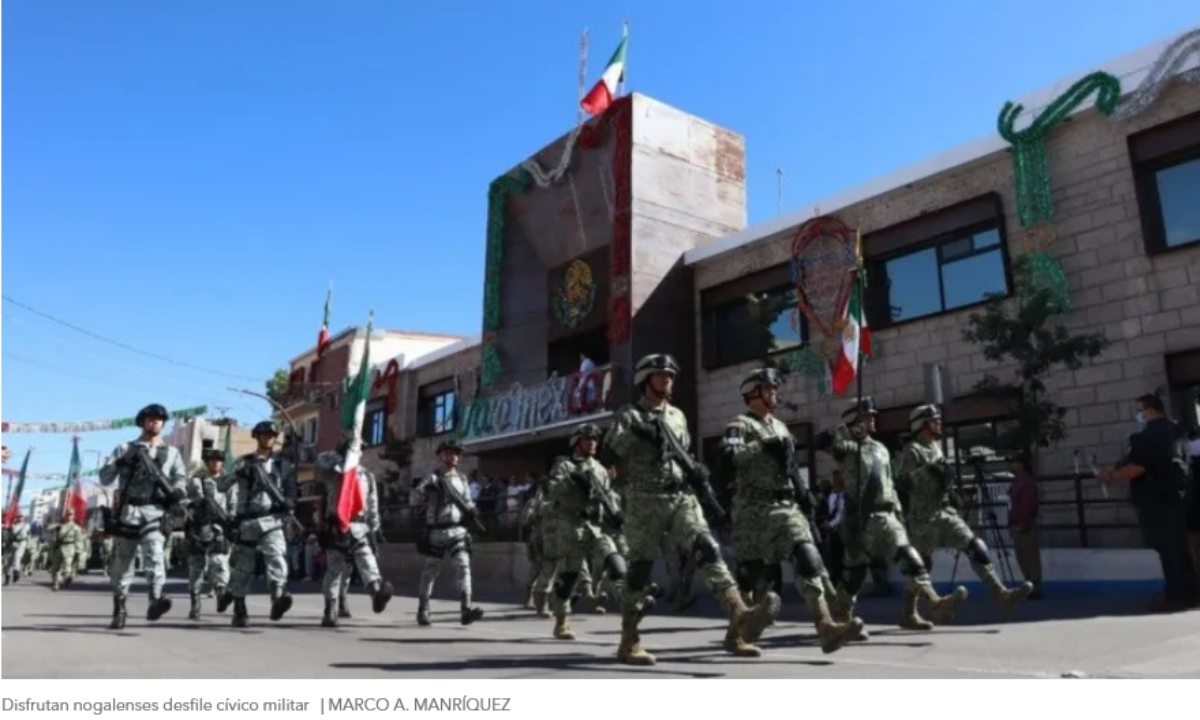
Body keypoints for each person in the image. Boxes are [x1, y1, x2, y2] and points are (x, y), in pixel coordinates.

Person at [602, 353, 780, 666]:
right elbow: (609, 452)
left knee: (708, 549)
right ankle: (629, 641)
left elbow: (681, 453)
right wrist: (638, 432)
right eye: (660, 376)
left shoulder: (678, 416)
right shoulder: (629, 416)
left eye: (670, 375)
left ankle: (741, 617)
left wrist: (697, 472)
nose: (667, 380)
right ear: (646, 381)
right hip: (644, 500)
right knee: (640, 571)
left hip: (681, 496)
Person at [723, 368, 861, 654]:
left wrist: (804, 493)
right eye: (769, 389)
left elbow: (790, 468)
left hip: (786, 507)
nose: (775, 394)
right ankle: (735, 633)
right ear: (753, 394)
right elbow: (728, 458)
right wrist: (760, 445)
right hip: (752, 510)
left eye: (775, 389)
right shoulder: (740, 425)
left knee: (808, 558)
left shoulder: (782, 427)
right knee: (750, 574)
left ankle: (825, 626)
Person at [816, 398, 967, 641]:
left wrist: (898, 512)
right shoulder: (847, 448)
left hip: (887, 516)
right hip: (862, 520)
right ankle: (842, 617)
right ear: (855, 420)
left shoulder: (881, 449)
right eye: (867, 416)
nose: (874, 419)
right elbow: (824, 443)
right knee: (855, 575)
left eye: (873, 415)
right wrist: (843, 431)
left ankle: (935, 602)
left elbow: (890, 483)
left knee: (909, 556)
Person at [898, 404, 1032, 627]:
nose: (939, 423)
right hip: (922, 518)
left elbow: (940, 478)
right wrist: (927, 471)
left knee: (975, 546)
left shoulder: (937, 447)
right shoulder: (913, 450)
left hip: (944, 512)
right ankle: (908, 612)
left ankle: (1001, 595)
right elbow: (902, 483)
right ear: (922, 425)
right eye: (934, 420)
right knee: (920, 565)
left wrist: (951, 492)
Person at [1099, 394, 1198, 610]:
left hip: (1157, 500)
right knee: (1180, 547)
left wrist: (1111, 476)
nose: (1139, 415)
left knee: (1167, 549)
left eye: (1141, 411)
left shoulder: (1148, 436)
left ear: (1151, 411)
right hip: (1179, 498)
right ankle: (1189, 593)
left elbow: (1137, 467)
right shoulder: (1177, 432)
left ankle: (1176, 596)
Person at [97, 403, 189, 629]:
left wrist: (178, 493)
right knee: (122, 564)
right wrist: (121, 461)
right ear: (142, 421)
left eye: (159, 419)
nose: (155, 421)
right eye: (150, 418)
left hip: (155, 513)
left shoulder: (172, 453)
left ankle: (155, 599)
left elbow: (180, 479)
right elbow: (105, 478)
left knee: (156, 555)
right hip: (128, 513)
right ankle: (119, 609)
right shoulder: (124, 448)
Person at [539, 423, 631, 640]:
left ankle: (631, 610)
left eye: (595, 440)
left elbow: (609, 497)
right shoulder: (565, 465)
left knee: (617, 565)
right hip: (571, 526)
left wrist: (617, 515)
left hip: (596, 527)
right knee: (568, 578)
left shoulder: (600, 469)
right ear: (576, 441)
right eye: (587, 439)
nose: (592, 443)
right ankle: (561, 622)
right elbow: (550, 491)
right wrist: (572, 479)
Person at [216, 420, 298, 627]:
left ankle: (278, 597)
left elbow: (291, 491)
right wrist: (239, 474)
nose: (268, 438)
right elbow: (222, 486)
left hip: (272, 520)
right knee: (244, 567)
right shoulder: (243, 462)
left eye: (271, 435)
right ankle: (239, 609)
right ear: (256, 436)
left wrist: (289, 502)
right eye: (264, 434)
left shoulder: (284, 464)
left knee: (276, 556)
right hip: (248, 521)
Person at [315, 438, 394, 627]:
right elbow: (318, 466)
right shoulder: (334, 471)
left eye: (360, 450)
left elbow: (372, 503)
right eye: (354, 449)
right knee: (334, 570)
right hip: (337, 526)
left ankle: (376, 593)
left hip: (359, 526)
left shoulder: (367, 475)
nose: (358, 452)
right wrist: (338, 454)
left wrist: (374, 527)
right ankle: (330, 608)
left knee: (367, 560)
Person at [410, 438, 484, 626]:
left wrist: (473, 510)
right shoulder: (433, 477)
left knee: (463, 566)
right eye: (450, 452)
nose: (455, 456)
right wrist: (426, 489)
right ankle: (423, 609)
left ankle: (466, 609)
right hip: (436, 531)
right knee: (430, 571)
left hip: (457, 529)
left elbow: (467, 501)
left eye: (457, 453)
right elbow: (416, 497)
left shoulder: (462, 479)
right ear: (441, 455)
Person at [184, 448, 231, 620]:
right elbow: (189, 501)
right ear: (207, 462)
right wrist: (198, 505)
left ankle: (221, 594)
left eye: (218, 460)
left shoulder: (228, 482)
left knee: (219, 563)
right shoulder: (197, 481)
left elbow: (233, 504)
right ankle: (195, 603)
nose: (215, 463)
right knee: (196, 568)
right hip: (198, 527)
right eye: (211, 460)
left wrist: (232, 524)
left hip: (220, 528)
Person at [1008, 453, 1043, 599]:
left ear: (1021, 464)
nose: (1011, 465)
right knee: (1022, 557)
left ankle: (1035, 587)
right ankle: (1029, 584)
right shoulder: (1017, 482)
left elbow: (1028, 506)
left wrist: (1023, 524)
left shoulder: (1026, 482)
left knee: (1030, 557)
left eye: (1014, 462)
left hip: (1024, 525)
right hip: (1017, 524)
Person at [49, 508, 86, 591]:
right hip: (58, 547)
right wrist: (56, 526)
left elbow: (79, 541)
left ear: (73, 516)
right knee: (55, 568)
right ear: (65, 515)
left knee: (67, 567)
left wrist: (79, 552)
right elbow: (48, 528)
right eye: (67, 514)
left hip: (69, 548)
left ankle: (67, 577)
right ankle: (56, 584)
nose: (69, 516)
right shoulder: (60, 525)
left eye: (71, 515)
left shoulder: (76, 528)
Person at [3, 512, 31, 585]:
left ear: (24, 518)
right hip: (12, 543)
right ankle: (7, 579)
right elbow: (9, 534)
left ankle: (16, 573)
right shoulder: (12, 525)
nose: (20, 518)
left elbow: (19, 532)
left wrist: (10, 527)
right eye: (18, 517)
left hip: (21, 543)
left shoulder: (26, 525)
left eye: (21, 517)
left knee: (17, 557)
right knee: (8, 563)